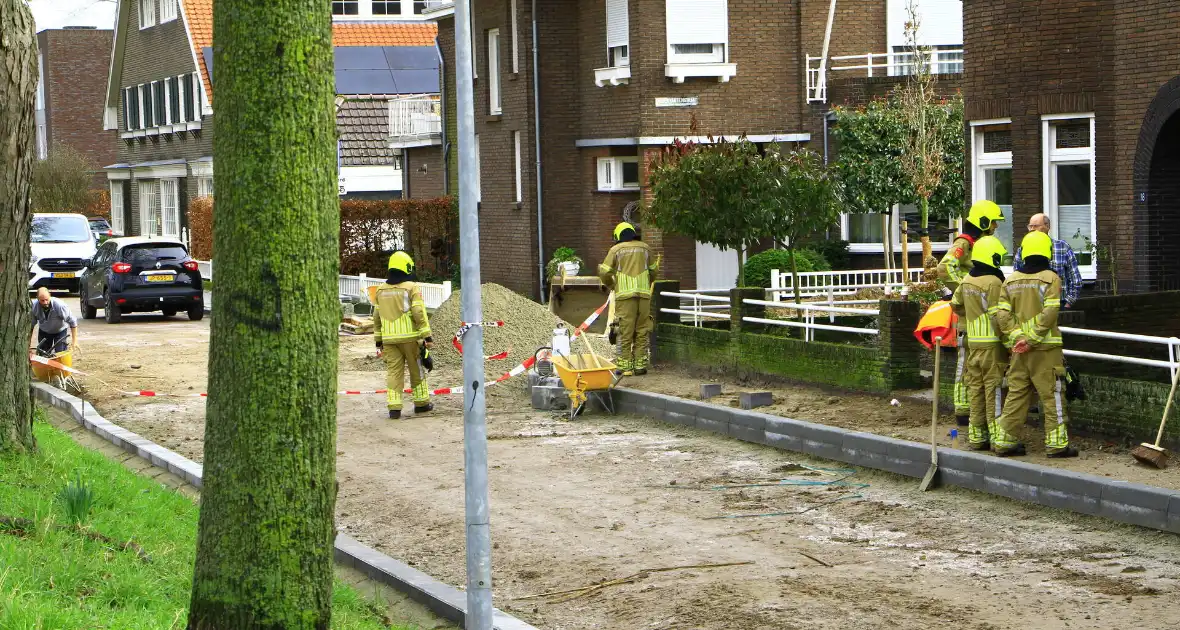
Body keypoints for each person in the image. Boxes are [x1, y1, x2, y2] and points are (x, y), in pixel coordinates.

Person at [992, 231, 1077, 458]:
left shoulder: (1010, 281)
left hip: (1019, 351)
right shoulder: (1051, 278)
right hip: (1045, 350)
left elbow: (1002, 315)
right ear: (1047, 252)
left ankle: (1004, 442)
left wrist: (1018, 338)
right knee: (1052, 395)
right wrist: (1032, 338)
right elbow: (1050, 312)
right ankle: (1057, 445)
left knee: (1017, 394)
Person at [938, 200, 1006, 427]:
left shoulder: (979, 244)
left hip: (979, 318)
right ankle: (963, 409)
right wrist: (965, 290)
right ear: (984, 221)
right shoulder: (964, 243)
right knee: (965, 365)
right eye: (994, 222)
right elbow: (944, 267)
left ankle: (972, 410)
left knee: (972, 367)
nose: (995, 227)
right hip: (970, 317)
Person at [950, 236, 1009, 451]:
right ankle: (995, 438)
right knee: (993, 392)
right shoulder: (993, 282)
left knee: (975, 391)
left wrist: (971, 315)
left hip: (972, 343)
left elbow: (955, 304)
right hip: (992, 346)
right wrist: (1009, 341)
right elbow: (998, 316)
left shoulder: (967, 280)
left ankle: (976, 438)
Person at [373, 252, 433, 420]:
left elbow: (376, 317)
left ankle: (394, 408)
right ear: (406, 266)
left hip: (389, 340)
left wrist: (378, 341)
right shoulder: (411, 287)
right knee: (416, 370)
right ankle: (421, 404)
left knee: (393, 372)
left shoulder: (380, 290)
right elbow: (418, 312)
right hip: (410, 338)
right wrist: (426, 336)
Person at [598, 222, 659, 376]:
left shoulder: (616, 250)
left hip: (625, 297)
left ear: (618, 236)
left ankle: (625, 368)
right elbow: (653, 271)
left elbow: (604, 272)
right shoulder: (645, 248)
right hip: (644, 296)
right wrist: (646, 283)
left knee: (624, 330)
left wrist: (612, 284)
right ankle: (640, 366)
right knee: (642, 330)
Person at [1014, 213, 1083, 308]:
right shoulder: (1023, 248)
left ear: (1047, 226)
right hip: (1031, 305)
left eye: (1036, 226)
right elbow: (1016, 277)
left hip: (1059, 304)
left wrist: (1068, 303)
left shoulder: (1062, 247)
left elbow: (1075, 278)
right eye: (1030, 226)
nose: (1032, 230)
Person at [29, 288, 78, 357]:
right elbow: (31, 326)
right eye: (42, 301)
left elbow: (73, 321)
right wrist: (28, 345)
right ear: (37, 298)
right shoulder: (34, 307)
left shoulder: (60, 306)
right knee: (43, 355)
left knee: (61, 354)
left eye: (47, 300)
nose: (45, 303)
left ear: (50, 295)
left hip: (60, 331)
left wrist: (74, 341)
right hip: (44, 332)